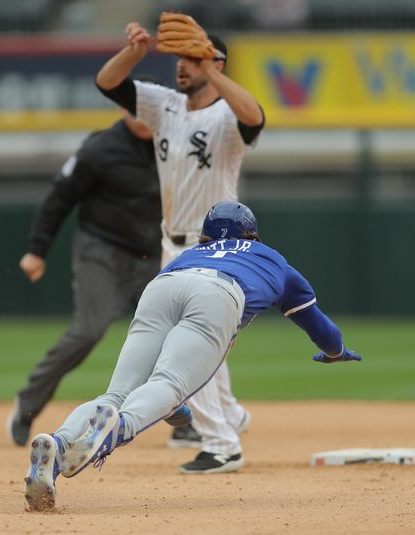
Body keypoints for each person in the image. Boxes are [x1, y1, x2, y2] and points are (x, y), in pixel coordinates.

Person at [23, 201, 362, 512]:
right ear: (252, 234)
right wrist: (336, 353)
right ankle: (118, 429)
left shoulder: (189, 253)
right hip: (218, 292)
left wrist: (173, 409)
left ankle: (57, 444)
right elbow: (322, 330)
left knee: (116, 394)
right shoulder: (273, 260)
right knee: (168, 384)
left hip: (164, 286)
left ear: (206, 237)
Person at [95, 17, 266, 473]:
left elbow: (256, 116)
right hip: (173, 245)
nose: (181, 67)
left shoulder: (228, 116)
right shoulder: (164, 104)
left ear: (216, 62)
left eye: (191, 57)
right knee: (204, 338)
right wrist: (134, 51)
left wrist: (209, 66)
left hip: (217, 251)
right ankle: (229, 416)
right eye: (180, 58)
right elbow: (107, 81)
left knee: (191, 343)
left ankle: (222, 444)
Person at [6, 109, 161, 447]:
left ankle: (186, 420)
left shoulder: (170, 143)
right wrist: (37, 249)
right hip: (101, 250)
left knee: (170, 332)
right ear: (123, 110)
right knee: (89, 330)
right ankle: (27, 407)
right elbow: (60, 196)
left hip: (150, 253)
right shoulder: (99, 149)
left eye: (153, 110)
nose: (145, 117)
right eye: (137, 109)